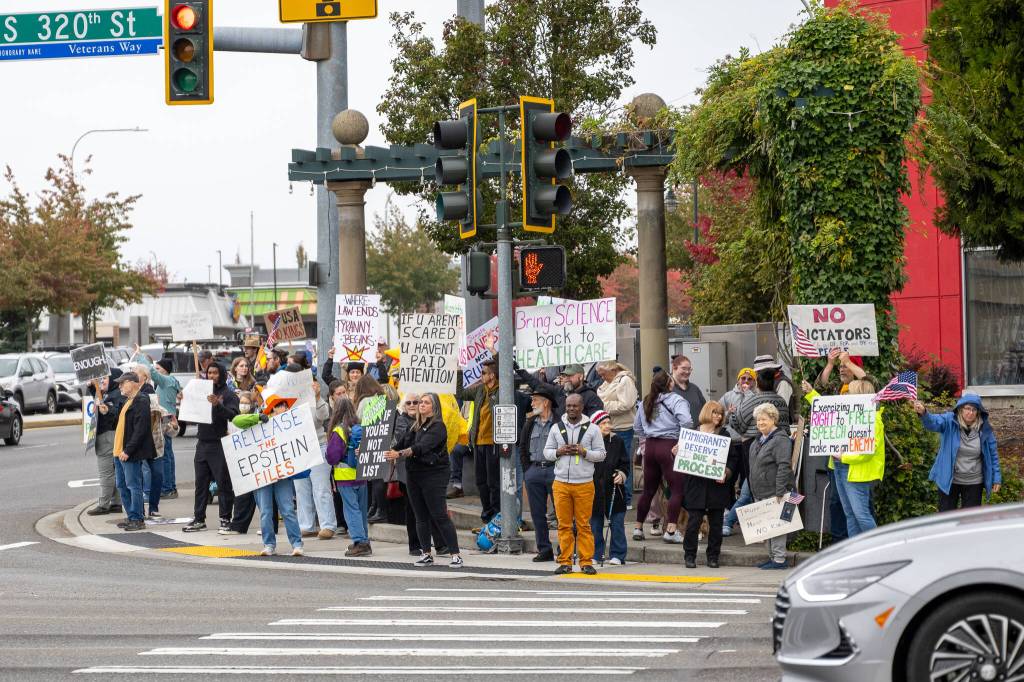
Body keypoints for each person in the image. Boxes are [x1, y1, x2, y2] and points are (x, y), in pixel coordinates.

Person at [387, 393, 464, 568]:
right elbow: (401, 443)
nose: (421, 405)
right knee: (420, 516)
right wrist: (377, 453)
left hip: (434, 475)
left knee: (439, 515)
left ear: (434, 407)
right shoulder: (415, 426)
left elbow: (421, 448)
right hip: (415, 474)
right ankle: (426, 553)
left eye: (425, 402)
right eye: (420, 402)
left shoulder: (438, 427)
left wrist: (398, 454)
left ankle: (456, 554)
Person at [803, 378, 884, 537]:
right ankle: (855, 551)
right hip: (841, 466)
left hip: (855, 470)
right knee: (851, 514)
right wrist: (811, 393)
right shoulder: (850, 412)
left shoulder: (873, 420)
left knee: (860, 514)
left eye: (849, 392)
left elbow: (867, 452)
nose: (844, 395)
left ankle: (879, 548)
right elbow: (826, 411)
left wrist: (844, 457)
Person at [232, 398, 305, 557]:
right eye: (279, 405)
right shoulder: (260, 423)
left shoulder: (290, 424)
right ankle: (269, 544)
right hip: (263, 475)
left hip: (281, 474)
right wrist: (258, 418)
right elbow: (236, 420)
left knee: (287, 509)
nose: (284, 408)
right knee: (265, 511)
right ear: (271, 409)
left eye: (285, 405)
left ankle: (297, 543)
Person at [543, 393, 606, 575]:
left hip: (584, 483)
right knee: (563, 525)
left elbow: (601, 454)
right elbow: (546, 452)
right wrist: (559, 452)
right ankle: (565, 561)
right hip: (561, 482)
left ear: (582, 407)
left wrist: (584, 452)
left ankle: (586, 561)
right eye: (568, 406)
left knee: (584, 525)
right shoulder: (556, 428)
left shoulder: (593, 429)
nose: (571, 409)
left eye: (575, 406)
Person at [724, 368, 791, 537]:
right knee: (758, 488)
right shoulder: (781, 401)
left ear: (758, 384)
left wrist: (732, 416)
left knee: (752, 487)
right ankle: (763, 531)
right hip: (780, 446)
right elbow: (786, 425)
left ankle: (733, 523)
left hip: (755, 446)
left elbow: (738, 424)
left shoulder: (754, 400)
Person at [677, 402, 741, 569]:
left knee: (716, 524)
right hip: (696, 485)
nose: (718, 417)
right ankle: (689, 555)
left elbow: (733, 459)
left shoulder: (725, 434)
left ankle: (713, 556)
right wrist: (675, 453)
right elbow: (681, 460)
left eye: (720, 414)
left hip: (716, 487)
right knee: (694, 522)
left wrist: (726, 473)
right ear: (706, 413)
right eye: (715, 413)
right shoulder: (691, 434)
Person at [632, 371, 693, 544]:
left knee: (648, 490)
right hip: (670, 446)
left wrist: (650, 435)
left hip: (650, 446)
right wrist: (680, 439)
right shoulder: (676, 400)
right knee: (677, 489)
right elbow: (687, 421)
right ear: (669, 384)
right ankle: (671, 530)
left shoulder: (646, 401)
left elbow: (637, 427)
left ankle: (638, 527)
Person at [915, 394, 1002, 511]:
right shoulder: (949, 421)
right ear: (961, 409)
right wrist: (924, 412)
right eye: (967, 408)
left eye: (974, 409)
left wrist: (996, 477)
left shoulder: (984, 428)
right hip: (949, 480)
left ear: (978, 412)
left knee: (970, 521)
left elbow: (993, 455)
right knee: (946, 520)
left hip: (974, 482)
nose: (970, 412)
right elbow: (933, 422)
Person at [183, 363, 240, 532]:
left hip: (219, 443)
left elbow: (234, 415)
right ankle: (199, 518)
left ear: (221, 374)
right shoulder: (202, 391)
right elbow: (191, 413)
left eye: (215, 373)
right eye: (209, 373)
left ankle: (225, 518)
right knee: (201, 484)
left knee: (223, 483)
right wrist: (186, 399)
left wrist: (218, 405)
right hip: (202, 443)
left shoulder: (228, 394)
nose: (211, 376)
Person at [394, 392, 447, 556]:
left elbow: (423, 446)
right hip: (407, 471)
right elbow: (399, 444)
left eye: (416, 402)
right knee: (413, 510)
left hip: (427, 472)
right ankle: (416, 546)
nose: (413, 405)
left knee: (432, 509)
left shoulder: (432, 424)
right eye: (408, 403)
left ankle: (440, 545)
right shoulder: (403, 422)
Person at [748, 402, 794, 569]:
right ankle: (772, 557)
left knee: (778, 526)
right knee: (766, 527)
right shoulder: (758, 440)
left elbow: (784, 466)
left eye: (764, 419)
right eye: (758, 420)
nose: (760, 423)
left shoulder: (780, 440)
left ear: (773, 419)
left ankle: (780, 559)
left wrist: (780, 490)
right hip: (761, 490)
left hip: (776, 491)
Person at [325, 397, 372, 557]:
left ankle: (360, 542)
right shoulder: (360, 427)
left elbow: (332, 457)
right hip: (362, 475)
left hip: (345, 477)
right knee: (361, 510)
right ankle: (365, 540)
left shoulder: (339, 430)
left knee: (351, 510)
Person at [111, 372, 157, 531]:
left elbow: (141, 429)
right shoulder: (127, 401)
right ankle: (132, 516)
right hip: (118, 451)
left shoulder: (141, 400)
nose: (120, 386)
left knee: (133, 485)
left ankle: (137, 519)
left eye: (122, 383)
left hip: (128, 452)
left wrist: (128, 450)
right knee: (122, 485)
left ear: (132, 383)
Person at [520, 384, 560, 562]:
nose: (532, 403)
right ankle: (544, 549)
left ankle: (563, 548)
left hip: (555, 470)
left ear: (546, 403)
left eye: (535, 400)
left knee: (562, 512)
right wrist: (527, 470)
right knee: (537, 513)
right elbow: (522, 447)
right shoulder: (530, 423)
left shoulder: (559, 423)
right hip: (534, 470)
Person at [294, 378, 338, 540]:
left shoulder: (316, 401)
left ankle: (328, 525)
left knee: (321, 488)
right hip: (298, 449)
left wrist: (318, 397)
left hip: (318, 446)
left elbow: (324, 415)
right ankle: (307, 525)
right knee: (301, 488)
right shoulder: (288, 402)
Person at [595, 361, 638, 504]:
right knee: (609, 463)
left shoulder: (625, 380)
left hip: (623, 428)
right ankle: (614, 496)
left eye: (603, 374)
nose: (602, 378)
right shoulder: (607, 383)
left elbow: (627, 404)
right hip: (609, 429)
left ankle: (626, 498)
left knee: (623, 463)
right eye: (600, 375)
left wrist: (604, 406)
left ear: (612, 370)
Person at [590, 410, 629, 566]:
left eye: (608, 422)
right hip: (595, 490)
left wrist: (622, 474)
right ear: (595, 426)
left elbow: (625, 463)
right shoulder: (589, 442)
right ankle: (595, 553)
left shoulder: (617, 441)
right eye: (603, 423)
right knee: (595, 525)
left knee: (617, 523)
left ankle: (618, 554)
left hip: (614, 489)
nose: (607, 426)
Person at [86, 371, 124, 516]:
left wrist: (107, 410)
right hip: (110, 435)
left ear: (114, 379)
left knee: (106, 473)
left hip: (107, 436)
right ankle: (116, 503)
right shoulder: (112, 393)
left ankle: (103, 505)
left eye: (106, 378)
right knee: (113, 472)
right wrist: (92, 387)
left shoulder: (115, 396)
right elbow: (98, 397)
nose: (103, 381)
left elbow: (114, 411)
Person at [133, 364, 164, 520]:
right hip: (138, 441)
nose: (133, 376)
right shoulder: (130, 393)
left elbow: (157, 415)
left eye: (136, 374)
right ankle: (140, 509)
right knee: (138, 475)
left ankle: (153, 506)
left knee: (157, 474)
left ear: (144, 377)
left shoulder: (149, 392)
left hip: (154, 441)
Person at [721, 368, 756, 442]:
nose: (746, 381)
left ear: (754, 382)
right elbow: (718, 415)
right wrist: (728, 413)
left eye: (749, 379)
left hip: (749, 440)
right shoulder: (728, 396)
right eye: (743, 378)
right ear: (738, 380)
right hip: (731, 439)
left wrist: (748, 393)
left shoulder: (756, 397)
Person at [671, 355, 706, 425]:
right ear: (674, 368)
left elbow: (705, 410)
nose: (687, 372)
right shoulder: (667, 389)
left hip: (697, 433)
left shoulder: (695, 388)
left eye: (689, 369)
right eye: (683, 368)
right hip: (675, 434)